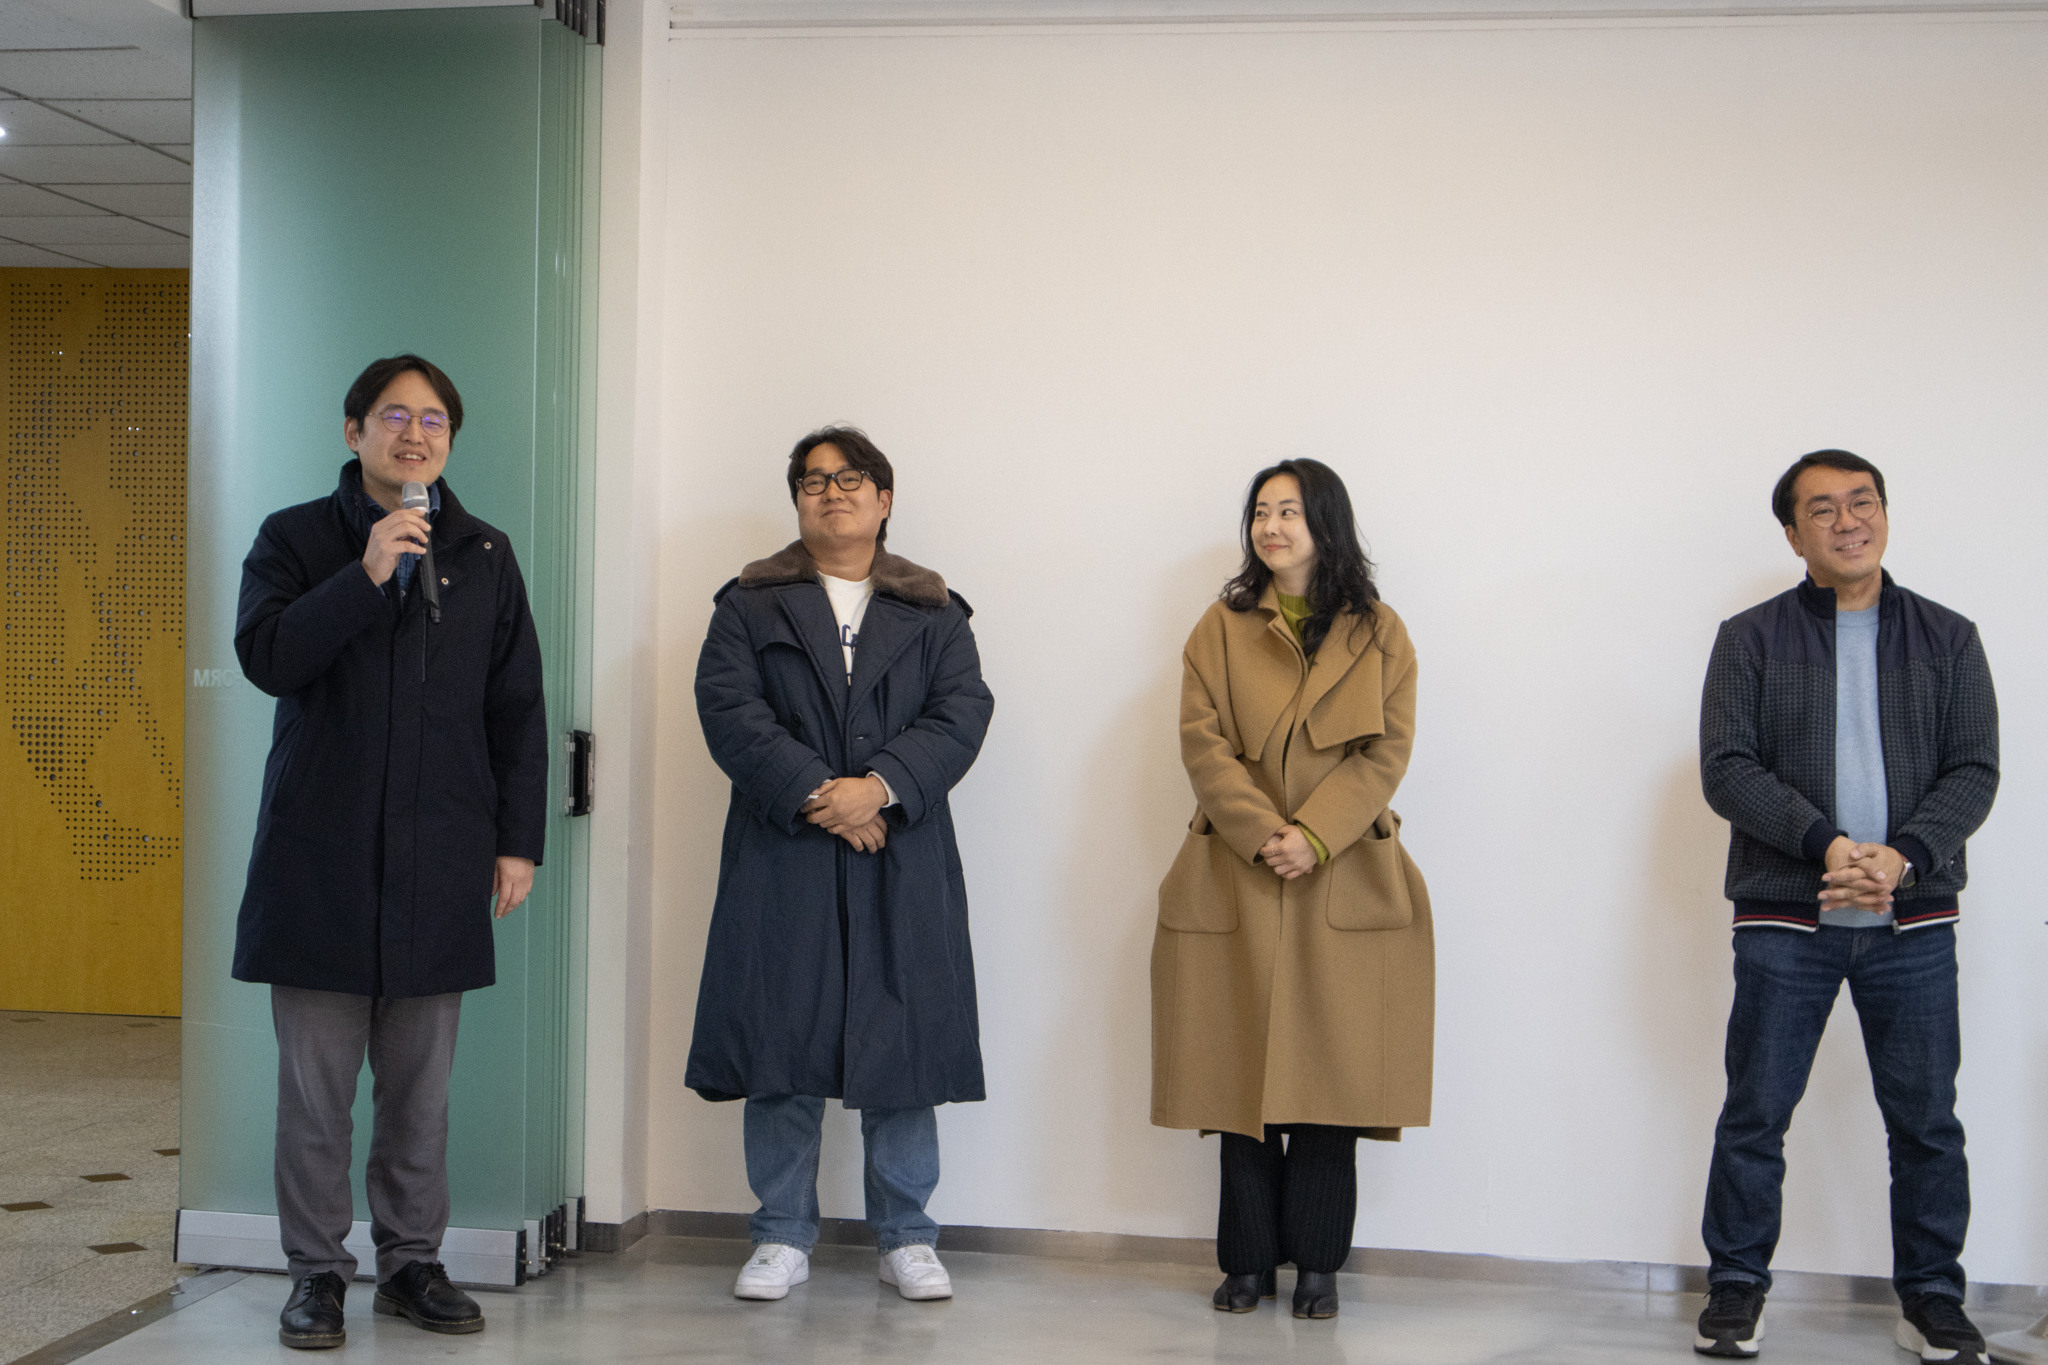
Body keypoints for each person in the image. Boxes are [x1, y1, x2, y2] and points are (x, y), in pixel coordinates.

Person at [233, 354, 549, 1350]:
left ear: (450, 438)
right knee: (315, 1099)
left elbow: (516, 707)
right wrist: (365, 574)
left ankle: (412, 1263)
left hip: (440, 857)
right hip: (317, 860)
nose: (415, 434)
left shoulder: (484, 552)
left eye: (433, 420)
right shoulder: (292, 539)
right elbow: (268, 658)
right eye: (394, 416)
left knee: (420, 1095)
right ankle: (316, 1275)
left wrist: (517, 842)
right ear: (353, 430)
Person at [1694, 450, 1999, 1363]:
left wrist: (1902, 858)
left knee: (1927, 1123)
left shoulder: (1949, 637)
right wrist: (1828, 844)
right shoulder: (1750, 638)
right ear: (1794, 536)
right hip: (1788, 918)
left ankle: (1933, 1299)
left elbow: (1974, 768)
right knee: (1757, 1112)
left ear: (1885, 514)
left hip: (1914, 919)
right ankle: (1737, 1288)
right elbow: (1728, 767)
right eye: (1822, 509)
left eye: (1862, 502)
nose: (1848, 520)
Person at [687, 425, 994, 1304]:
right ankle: (780, 1234)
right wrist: (823, 793)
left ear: (884, 499)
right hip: (784, 849)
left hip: (901, 849)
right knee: (781, 1043)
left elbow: (961, 711)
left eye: (851, 477)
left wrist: (881, 789)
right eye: (814, 480)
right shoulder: (750, 603)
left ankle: (907, 1236)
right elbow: (729, 709)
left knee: (903, 1045)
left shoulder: (934, 609)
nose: (833, 492)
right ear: (797, 501)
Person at [1151, 458, 1432, 1321]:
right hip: (1234, 870)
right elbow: (1202, 742)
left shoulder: (1381, 632)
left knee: (1331, 1084)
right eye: (1261, 512)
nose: (1271, 527)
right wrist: (1261, 831)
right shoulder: (1219, 627)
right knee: (1234, 1081)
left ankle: (1318, 1264)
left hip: (1345, 874)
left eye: (1290, 512)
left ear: (1326, 524)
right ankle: (1245, 1263)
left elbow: (1386, 751)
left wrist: (1312, 834)